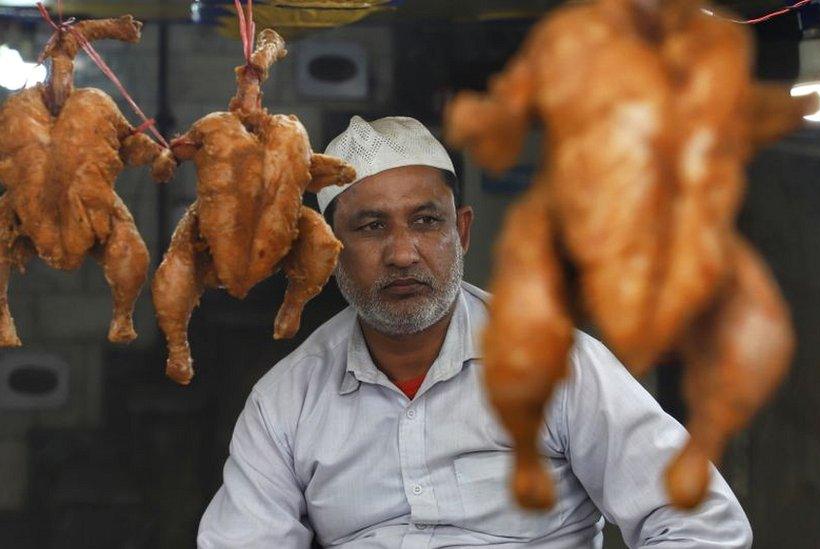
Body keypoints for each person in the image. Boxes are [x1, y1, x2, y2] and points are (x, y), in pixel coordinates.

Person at [197, 115, 752, 548]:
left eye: (425, 221)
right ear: (327, 248)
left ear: (461, 231)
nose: (401, 253)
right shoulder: (285, 402)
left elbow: (701, 524)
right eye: (370, 227)